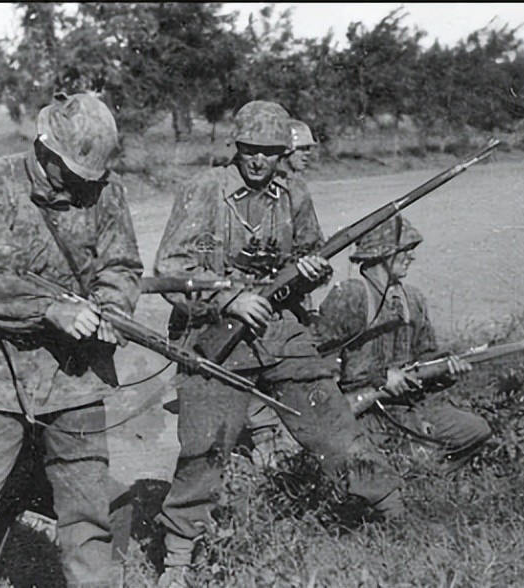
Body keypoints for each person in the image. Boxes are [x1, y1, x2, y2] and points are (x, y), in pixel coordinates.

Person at [153, 100, 402, 587]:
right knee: (205, 448)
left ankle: (390, 509)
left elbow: (312, 255)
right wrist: (229, 299)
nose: (258, 160)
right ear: (237, 146)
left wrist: (311, 270)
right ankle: (178, 559)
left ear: (283, 153)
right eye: (250, 149)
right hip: (210, 334)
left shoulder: (294, 194)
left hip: (279, 330)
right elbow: (171, 268)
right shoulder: (204, 190)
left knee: (332, 422)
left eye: (269, 152)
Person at [0, 92, 142, 587]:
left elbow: (121, 265)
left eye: (90, 176)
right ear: (44, 148)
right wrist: (49, 309)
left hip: (73, 377)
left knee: (87, 514)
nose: (82, 185)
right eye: (73, 172)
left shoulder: (106, 190)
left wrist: (112, 308)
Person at [314, 215, 493, 466]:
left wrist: (446, 368)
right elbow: (317, 363)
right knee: (371, 463)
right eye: (405, 249)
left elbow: (425, 356)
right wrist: (379, 381)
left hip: (408, 408)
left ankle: (429, 479)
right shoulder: (351, 296)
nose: (412, 256)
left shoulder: (413, 299)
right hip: (362, 413)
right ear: (383, 252)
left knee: (475, 430)